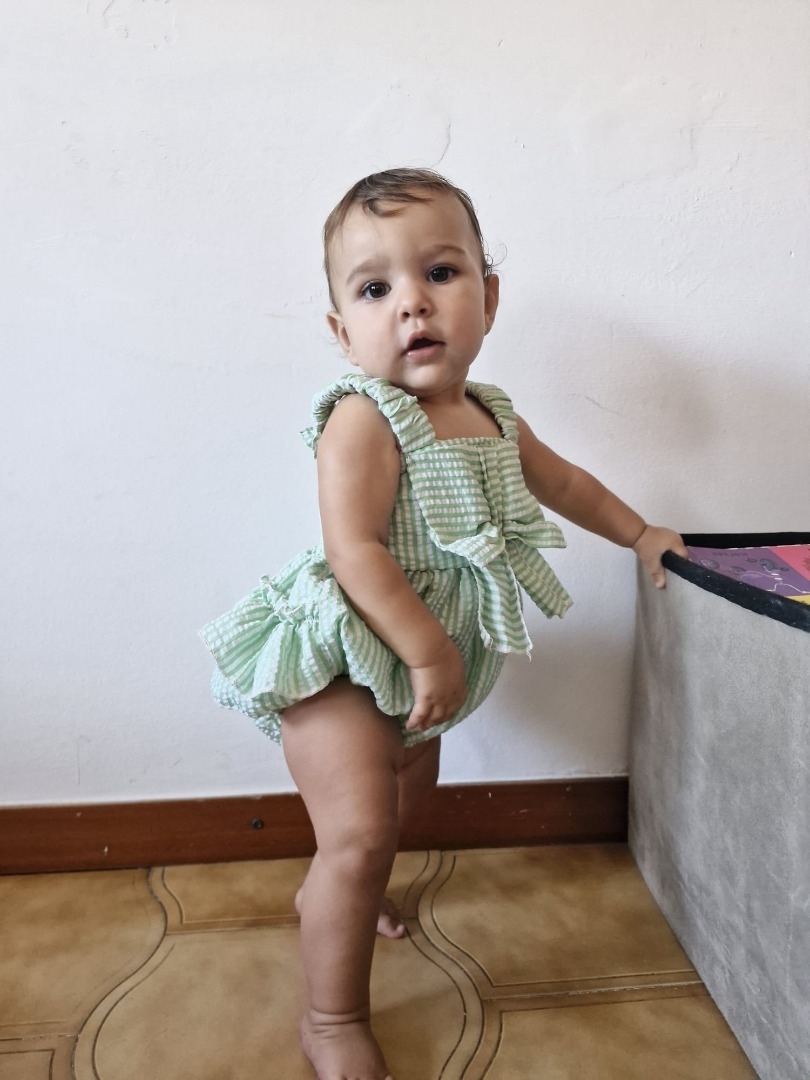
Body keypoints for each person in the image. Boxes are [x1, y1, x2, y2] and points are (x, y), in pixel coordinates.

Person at [199, 167, 687, 1080]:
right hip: (347, 657)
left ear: (488, 300)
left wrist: (640, 533)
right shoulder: (364, 418)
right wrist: (427, 650)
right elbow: (354, 550)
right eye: (375, 289)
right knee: (361, 833)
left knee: (402, 799)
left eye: (440, 273)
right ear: (344, 333)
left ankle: (338, 891)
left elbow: (567, 484)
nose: (412, 304)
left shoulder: (491, 416)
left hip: (423, 668)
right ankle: (332, 1016)